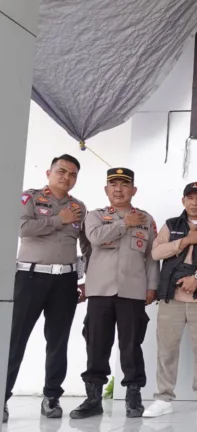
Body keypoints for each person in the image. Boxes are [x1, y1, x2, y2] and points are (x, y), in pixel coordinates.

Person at [4, 155, 89, 423]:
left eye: (72, 174)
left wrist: (86, 279)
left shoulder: (79, 206)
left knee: (58, 342)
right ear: (48, 173)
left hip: (65, 281)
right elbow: (22, 229)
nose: (66, 177)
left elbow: (86, 245)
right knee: (15, 340)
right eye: (61, 171)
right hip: (30, 278)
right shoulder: (30, 198)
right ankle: (2, 396)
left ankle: (52, 397)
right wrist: (58, 219)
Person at [70, 168, 159, 419]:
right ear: (106, 189)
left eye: (124, 185)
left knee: (131, 346)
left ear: (133, 190)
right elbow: (95, 238)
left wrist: (152, 286)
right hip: (100, 290)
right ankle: (93, 399)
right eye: (113, 185)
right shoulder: (95, 216)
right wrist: (123, 224)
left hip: (133, 291)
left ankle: (133, 397)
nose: (118, 189)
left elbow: (152, 256)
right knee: (96, 344)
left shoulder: (146, 218)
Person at [143, 182, 197, 418]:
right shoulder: (171, 225)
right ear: (183, 201)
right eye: (190, 198)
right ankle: (163, 398)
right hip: (172, 298)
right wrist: (186, 240)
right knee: (166, 350)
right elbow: (156, 252)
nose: (194, 203)